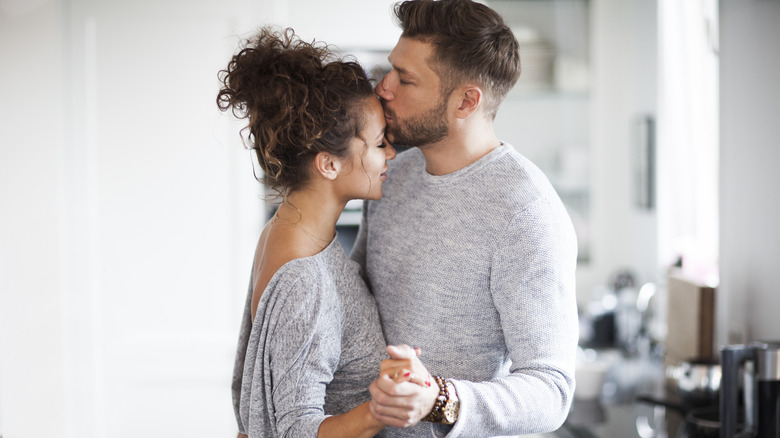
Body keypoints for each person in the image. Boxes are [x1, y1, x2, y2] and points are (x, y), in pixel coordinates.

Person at [350, 0, 580, 436]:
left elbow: (552, 390)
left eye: (406, 79)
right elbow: (357, 292)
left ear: (466, 101)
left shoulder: (526, 213)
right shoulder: (393, 171)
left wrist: (439, 398)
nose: (383, 88)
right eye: (390, 68)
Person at [217, 27, 416, 438]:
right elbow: (297, 430)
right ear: (328, 164)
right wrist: (386, 404)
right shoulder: (304, 276)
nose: (391, 154)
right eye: (379, 143)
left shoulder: (285, 230)